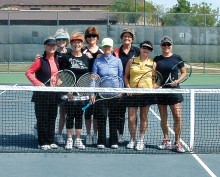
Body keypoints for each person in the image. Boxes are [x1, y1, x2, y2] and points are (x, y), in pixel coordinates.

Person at [25, 37, 60, 151]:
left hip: (53, 94)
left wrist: (59, 81)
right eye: (49, 45)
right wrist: (38, 83)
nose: (52, 47)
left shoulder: (57, 59)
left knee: (52, 117)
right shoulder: (39, 60)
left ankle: (50, 141)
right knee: (42, 118)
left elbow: (57, 75)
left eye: (54, 45)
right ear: (45, 47)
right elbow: (29, 73)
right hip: (41, 95)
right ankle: (42, 142)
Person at [154, 36, 187, 153]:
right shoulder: (157, 59)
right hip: (161, 92)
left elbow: (184, 72)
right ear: (161, 46)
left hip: (175, 92)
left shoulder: (177, 58)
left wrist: (177, 81)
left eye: (168, 45)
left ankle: (177, 142)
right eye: (164, 45)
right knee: (163, 117)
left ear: (171, 45)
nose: (166, 47)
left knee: (177, 117)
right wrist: (156, 85)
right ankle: (166, 139)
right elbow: (154, 74)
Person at [60, 32, 90, 150]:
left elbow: (88, 76)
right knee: (69, 116)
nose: (77, 44)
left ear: (82, 44)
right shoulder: (66, 58)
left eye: (79, 42)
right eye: (74, 42)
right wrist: (68, 90)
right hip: (70, 93)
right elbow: (63, 75)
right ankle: (69, 139)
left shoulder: (87, 59)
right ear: (71, 44)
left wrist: (87, 92)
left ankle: (78, 139)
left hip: (82, 94)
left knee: (79, 116)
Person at [124, 40, 156, 151]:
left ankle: (141, 140)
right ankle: (133, 139)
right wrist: (128, 88)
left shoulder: (153, 63)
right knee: (131, 118)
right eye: (144, 48)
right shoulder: (131, 61)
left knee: (144, 117)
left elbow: (154, 79)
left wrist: (154, 87)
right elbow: (126, 76)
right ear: (140, 48)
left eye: (148, 48)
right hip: (133, 94)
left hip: (146, 95)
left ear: (150, 51)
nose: (146, 50)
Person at [91, 37, 123, 149]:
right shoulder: (97, 61)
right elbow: (94, 78)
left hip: (115, 95)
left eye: (108, 47)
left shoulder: (117, 61)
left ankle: (114, 141)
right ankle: (101, 141)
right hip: (101, 94)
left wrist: (120, 91)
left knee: (113, 118)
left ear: (112, 48)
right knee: (102, 117)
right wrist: (92, 93)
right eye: (105, 47)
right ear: (102, 48)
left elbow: (120, 77)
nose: (107, 48)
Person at [114, 28, 140, 143]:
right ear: (121, 38)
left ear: (132, 39)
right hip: (120, 87)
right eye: (125, 36)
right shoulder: (116, 52)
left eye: (129, 36)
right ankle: (120, 134)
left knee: (133, 114)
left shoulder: (138, 51)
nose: (127, 38)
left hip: (134, 87)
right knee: (119, 112)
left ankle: (133, 137)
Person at [83, 26, 103, 145]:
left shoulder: (101, 52)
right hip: (86, 85)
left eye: (93, 36)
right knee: (87, 112)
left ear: (97, 38)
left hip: (99, 86)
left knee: (96, 113)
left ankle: (95, 134)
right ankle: (88, 134)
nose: (91, 38)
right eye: (89, 36)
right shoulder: (83, 51)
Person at [53, 28, 72, 145]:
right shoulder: (52, 52)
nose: (61, 41)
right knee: (54, 112)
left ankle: (61, 135)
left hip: (69, 86)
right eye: (59, 39)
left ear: (67, 40)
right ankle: (38, 127)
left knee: (66, 113)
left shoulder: (71, 52)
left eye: (63, 39)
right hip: (56, 86)